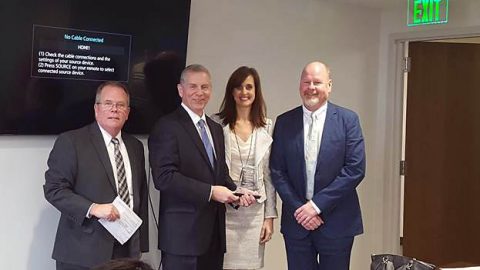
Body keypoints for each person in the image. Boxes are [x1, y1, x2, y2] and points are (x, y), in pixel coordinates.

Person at [148, 64, 256, 270]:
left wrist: (237, 193)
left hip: (214, 239)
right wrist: (210, 192)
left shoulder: (215, 128)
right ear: (181, 90)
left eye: (205, 87)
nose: (200, 93)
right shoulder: (167, 126)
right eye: (193, 87)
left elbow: (219, 174)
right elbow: (164, 177)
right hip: (183, 240)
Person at [269, 61, 366, 270]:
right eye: (307, 82)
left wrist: (316, 206)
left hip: (338, 222)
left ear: (329, 86)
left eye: (317, 82)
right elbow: (277, 171)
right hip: (297, 224)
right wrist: (301, 210)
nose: (311, 87)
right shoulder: (284, 121)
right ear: (299, 85)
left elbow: (355, 169)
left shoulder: (348, 120)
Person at [44, 81, 149, 270]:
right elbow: (54, 190)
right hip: (83, 252)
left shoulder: (136, 146)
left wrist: (140, 245)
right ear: (96, 108)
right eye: (108, 103)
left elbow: (139, 194)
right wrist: (93, 208)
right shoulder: (71, 141)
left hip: (126, 251)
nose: (114, 109)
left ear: (128, 112)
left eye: (120, 105)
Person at [213, 66, 278, 269]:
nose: (244, 92)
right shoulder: (217, 123)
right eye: (239, 87)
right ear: (231, 92)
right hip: (225, 210)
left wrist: (269, 218)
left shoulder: (267, 126)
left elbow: (269, 175)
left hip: (255, 214)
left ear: (256, 91)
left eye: (249, 87)